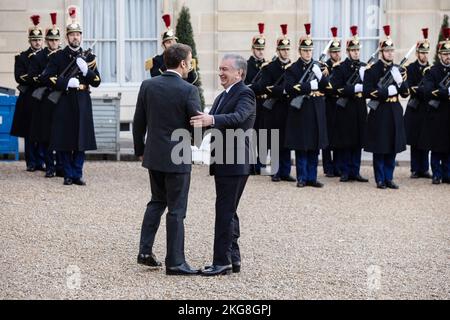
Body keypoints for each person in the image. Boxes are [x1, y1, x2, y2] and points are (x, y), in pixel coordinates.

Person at [133, 43, 201, 275]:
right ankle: (175, 262)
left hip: (154, 154)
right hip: (178, 156)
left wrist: (139, 149)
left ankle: (145, 251)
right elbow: (197, 124)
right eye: (190, 61)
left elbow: (138, 122)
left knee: (156, 201)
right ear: (182, 63)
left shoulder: (148, 85)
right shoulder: (189, 90)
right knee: (176, 210)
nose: (190, 65)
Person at [190, 54, 256, 276]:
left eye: (225, 69)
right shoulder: (221, 96)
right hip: (224, 162)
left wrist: (212, 120)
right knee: (230, 211)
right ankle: (233, 259)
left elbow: (238, 117)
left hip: (235, 162)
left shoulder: (246, 93)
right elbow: (211, 121)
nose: (221, 73)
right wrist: (199, 123)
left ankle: (221, 262)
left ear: (239, 73)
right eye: (220, 69)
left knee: (224, 212)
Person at [43, 7, 101, 186]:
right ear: (67, 37)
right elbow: (47, 77)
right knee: (64, 138)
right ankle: (67, 174)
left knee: (81, 139)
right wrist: (66, 83)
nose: (75, 37)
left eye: (78, 34)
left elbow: (97, 80)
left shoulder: (89, 57)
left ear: (81, 37)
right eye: (72, 34)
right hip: (65, 100)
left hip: (83, 99)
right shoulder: (58, 56)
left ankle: (77, 173)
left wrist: (86, 71)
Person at [363, 25, 409, 189]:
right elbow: (367, 91)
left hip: (394, 110)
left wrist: (400, 82)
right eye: (387, 50)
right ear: (381, 52)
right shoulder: (373, 70)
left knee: (392, 146)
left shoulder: (399, 70)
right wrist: (383, 92)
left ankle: (389, 177)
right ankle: (380, 179)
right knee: (380, 146)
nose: (390, 53)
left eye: (392, 50)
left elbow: (405, 93)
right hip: (380, 111)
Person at [284, 23, 329, 188]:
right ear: (300, 51)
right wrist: (308, 86)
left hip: (316, 109)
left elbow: (328, 88)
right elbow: (289, 88)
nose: (308, 53)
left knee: (315, 147)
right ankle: (302, 178)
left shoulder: (318, 67)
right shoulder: (293, 68)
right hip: (301, 111)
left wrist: (321, 77)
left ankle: (312, 177)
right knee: (302, 146)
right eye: (305, 50)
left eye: (310, 50)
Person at [330, 26, 369, 183]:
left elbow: (371, 87)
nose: (356, 53)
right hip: (346, 109)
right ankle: (345, 171)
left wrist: (363, 85)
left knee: (358, 140)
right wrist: (354, 88)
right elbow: (336, 88)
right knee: (347, 141)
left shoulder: (364, 67)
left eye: (357, 50)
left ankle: (356, 170)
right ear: (347, 51)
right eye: (353, 50)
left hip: (359, 107)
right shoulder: (341, 67)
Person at [257, 24, 296, 183]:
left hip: (289, 108)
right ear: (278, 50)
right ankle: (276, 171)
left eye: (287, 49)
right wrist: (283, 91)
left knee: (287, 141)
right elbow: (266, 87)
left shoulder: (293, 67)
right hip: (274, 109)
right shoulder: (269, 67)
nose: (286, 52)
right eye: (283, 49)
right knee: (275, 141)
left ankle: (286, 171)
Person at [28, 12, 63, 178]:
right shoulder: (39, 56)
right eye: (51, 40)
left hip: (62, 99)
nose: (54, 43)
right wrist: (50, 80)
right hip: (45, 99)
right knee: (46, 135)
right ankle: (49, 166)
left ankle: (62, 166)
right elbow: (35, 77)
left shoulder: (64, 55)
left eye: (56, 40)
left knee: (62, 133)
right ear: (47, 41)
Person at [10, 15, 45, 172]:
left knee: (43, 130)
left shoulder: (48, 56)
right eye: (34, 40)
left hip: (43, 96)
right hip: (29, 96)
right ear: (30, 41)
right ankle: (31, 162)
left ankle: (42, 160)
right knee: (29, 130)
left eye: (39, 40)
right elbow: (19, 77)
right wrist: (35, 76)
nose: (37, 43)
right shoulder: (22, 57)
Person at [417, 27, 450, 185]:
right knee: (437, 146)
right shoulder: (432, 71)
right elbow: (428, 91)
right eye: (445, 54)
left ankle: (447, 174)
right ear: (439, 55)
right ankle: (436, 173)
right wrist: (446, 92)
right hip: (437, 114)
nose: (448, 57)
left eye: (449, 54)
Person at [404, 28, 432, 180]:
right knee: (415, 139)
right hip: (415, 107)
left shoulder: (432, 69)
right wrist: (422, 90)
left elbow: (431, 88)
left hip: (427, 107)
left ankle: (425, 169)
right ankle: (415, 168)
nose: (424, 55)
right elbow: (409, 87)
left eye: (426, 53)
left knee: (425, 138)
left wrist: (422, 90)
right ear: (417, 54)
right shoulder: (411, 68)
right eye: (422, 53)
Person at [144, 14, 198, 84]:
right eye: (168, 42)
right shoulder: (156, 60)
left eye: (173, 42)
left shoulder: (183, 59)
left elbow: (192, 80)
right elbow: (155, 78)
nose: (172, 44)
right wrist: (168, 60)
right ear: (163, 45)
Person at [245, 23, 267, 175]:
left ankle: (262, 163)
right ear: (253, 49)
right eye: (258, 49)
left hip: (265, 103)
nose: (260, 52)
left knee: (264, 133)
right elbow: (245, 85)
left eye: (262, 49)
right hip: (253, 103)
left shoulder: (267, 65)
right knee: (252, 134)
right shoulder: (247, 65)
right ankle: (252, 164)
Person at [322, 27, 342, 178]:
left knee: (339, 135)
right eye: (334, 52)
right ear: (330, 53)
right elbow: (326, 86)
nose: (337, 54)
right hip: (328, 103)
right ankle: (328, 167)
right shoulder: (325, 67)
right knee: (328, 136)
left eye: (338, 52)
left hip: (340, 104)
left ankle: (338, 166)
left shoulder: (342, 66)